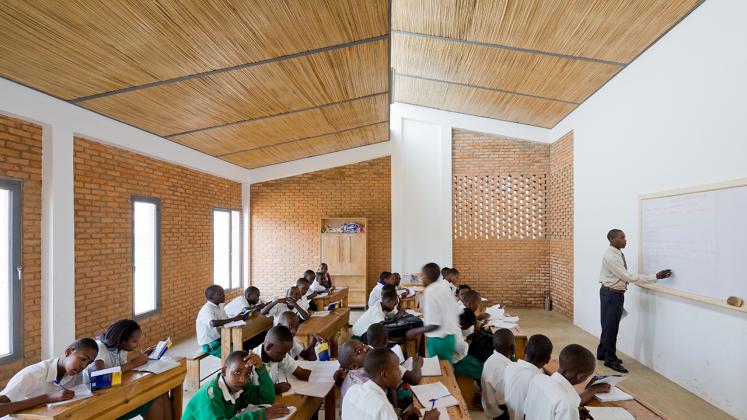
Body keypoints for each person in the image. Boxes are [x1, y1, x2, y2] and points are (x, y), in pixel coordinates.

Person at [598, 229, 672, 373]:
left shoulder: (617, 252)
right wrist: (654, 277)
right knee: (611, 328)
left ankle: (602, 353)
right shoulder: (611, 256)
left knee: (608, 325)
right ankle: (610, 360)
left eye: (624, 237)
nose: (625, 240)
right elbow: (628, 277)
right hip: (611, 295)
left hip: (612, 294)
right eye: (622, 237)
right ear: (612, 239)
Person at [91, 319, 171, 419]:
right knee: (154, 397)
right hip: (100, 404)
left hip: (116, 393)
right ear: (121, 341)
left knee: (161, 391)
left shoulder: (120, 348)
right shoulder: (99, 347)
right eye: (134, 341)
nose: (137, 344)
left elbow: (122, 373)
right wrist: (133, 364)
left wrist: (145, 355)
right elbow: (98, 380)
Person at [182, 350, 289, 420]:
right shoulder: (211, 398)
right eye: (237, 372)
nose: (242, 380)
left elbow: (267, 397)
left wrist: (260, 367)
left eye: (247, 374)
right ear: (223, 371)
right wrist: (260, 415)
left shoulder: (239, 388)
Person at [0, 338, 98, 414]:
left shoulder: (76, 375)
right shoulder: (32, 374)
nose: (83, 366)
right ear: (68, 352)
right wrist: (46, 398)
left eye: (89, 363)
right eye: (83, 359)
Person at [342, 349, 438, 420]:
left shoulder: (353, 390)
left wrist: (400, 416)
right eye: (397, 369)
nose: (400, 372)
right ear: (384, 375)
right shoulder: (382, 407)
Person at [524, 344, 610, 420]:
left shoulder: (537, 379)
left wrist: (573, 413)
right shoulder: (567, 403)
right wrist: (572, 412)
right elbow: (565, 403)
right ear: (581, 376)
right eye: (588, 376)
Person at [406, 262, 460, 362]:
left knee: (439, 371)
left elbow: (434, 324)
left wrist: (415, 331)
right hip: (449, 337)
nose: (421, 278)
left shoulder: (431, 291)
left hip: (438, 339)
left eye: (422, 276)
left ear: (428, 276)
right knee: (446, 369)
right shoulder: (443, 287)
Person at [504, 334, 553, 420]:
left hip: (507, 415)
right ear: (548, 359)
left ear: (525, 350)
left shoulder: (510, 366)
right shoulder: (540, 381)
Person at [250, 326, 311, 395]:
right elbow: (251, 395)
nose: (284, 356)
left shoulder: (279, 353)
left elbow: (300, 372)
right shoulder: (251, 364)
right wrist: (273, 388)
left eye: (285, 353)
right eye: (282, 353)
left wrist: (321, 377)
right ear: (269, 347)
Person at [196, 285, 248, 357]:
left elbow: (225, 321)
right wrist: (234, 318)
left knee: (245, 345)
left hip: (221, 338)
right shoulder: (207, 308)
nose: (224, 296)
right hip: (211, 344)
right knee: (237, 356)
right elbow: (213, 323)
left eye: (223, 293)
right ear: (211, 297)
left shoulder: (220, 306)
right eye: (220, 294)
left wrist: (236, 318)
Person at [480, 328, 515, 420]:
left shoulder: (490, 360)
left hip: (491, 407)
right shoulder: (505, 369)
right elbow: (504, 401)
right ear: (512, 347)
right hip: (500, 411)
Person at [453, 309, 484, 381]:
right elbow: (462, 350)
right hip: (456, 362)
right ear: (463, 322)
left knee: (478, 363)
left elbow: (462, 334)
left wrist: (467, 337)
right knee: (483, 370)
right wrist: (467, 343)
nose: (470, 327)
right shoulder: (455, 330)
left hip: (457, 356)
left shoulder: (455, 323)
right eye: (470, 325)